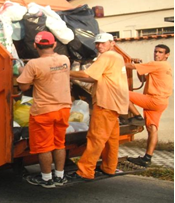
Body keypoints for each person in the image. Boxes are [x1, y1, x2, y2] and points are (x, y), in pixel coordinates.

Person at [69, 33, 129, 181]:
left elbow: (87, 74)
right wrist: (72, 76)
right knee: (111, 139)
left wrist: (65, 72)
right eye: (97, 43)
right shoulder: (118, 57)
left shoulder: (107, 56)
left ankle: (85, 171)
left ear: (112, 43)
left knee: (96, 138)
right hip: (115, 104)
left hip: (105, 103)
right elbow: (93, 77)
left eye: (103, 43)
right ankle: (109, 167)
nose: (99, 46)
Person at [17, 31, 72, 188]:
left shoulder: (33, 64)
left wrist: (23, 71)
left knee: (44, 147)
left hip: (43, 111)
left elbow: (24, 86)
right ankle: (60, 177)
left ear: (35, 46)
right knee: (59, 144)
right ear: (54, 44)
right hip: (63, 108)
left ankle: (47, 179)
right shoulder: (64, 59)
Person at [125, 44, 173, 167]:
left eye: (160, 52)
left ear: (166, 55)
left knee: (122, 93)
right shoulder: (165, 66)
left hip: (153, 100)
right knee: (152, 129)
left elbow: (130, 66)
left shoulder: (158, 64)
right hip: (161, 102)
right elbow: (142, 79)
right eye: (155, 51)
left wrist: (114, 63)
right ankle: (147, 158)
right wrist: (139, 64)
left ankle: (137, 116)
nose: (157, 54)